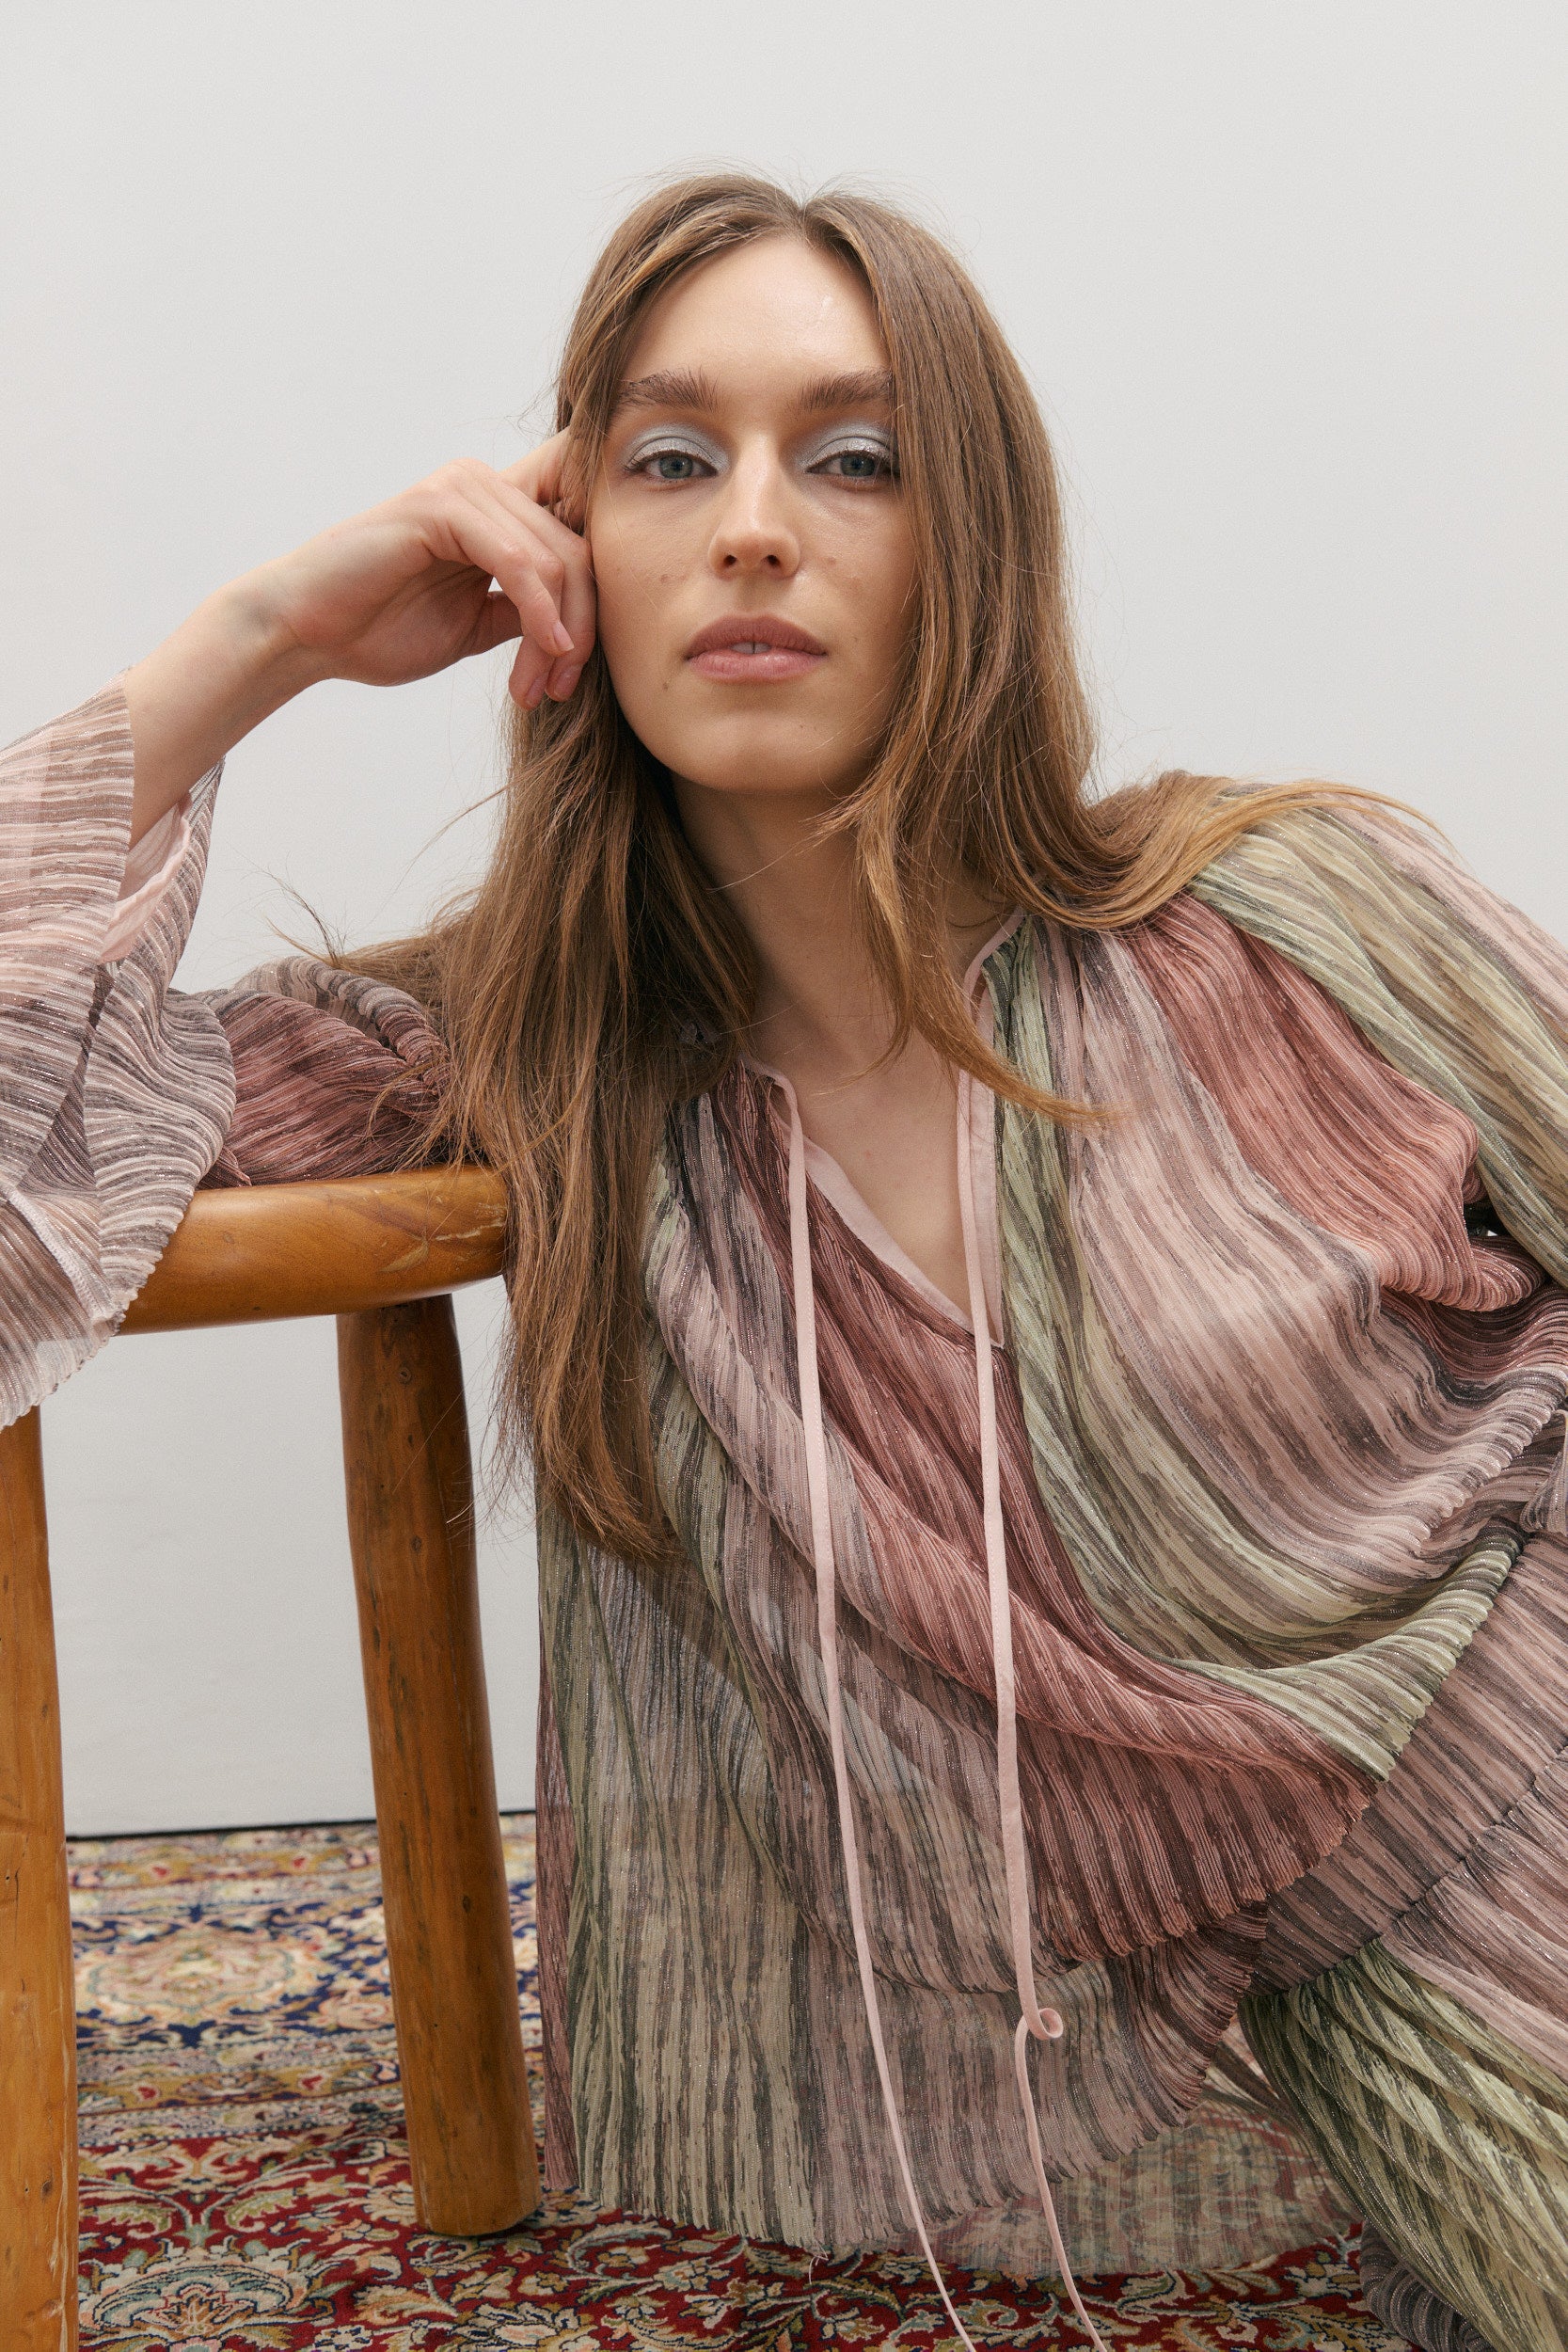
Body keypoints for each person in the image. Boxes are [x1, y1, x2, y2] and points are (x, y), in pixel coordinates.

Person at [4, 172, 1564, 2352]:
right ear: (569, 560)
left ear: (975, 550)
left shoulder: (1291, 911)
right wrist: (256, 637)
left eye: (855, 457)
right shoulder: (534, 1078)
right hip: (1421, 2052)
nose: (752, 525)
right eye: (664, 460)